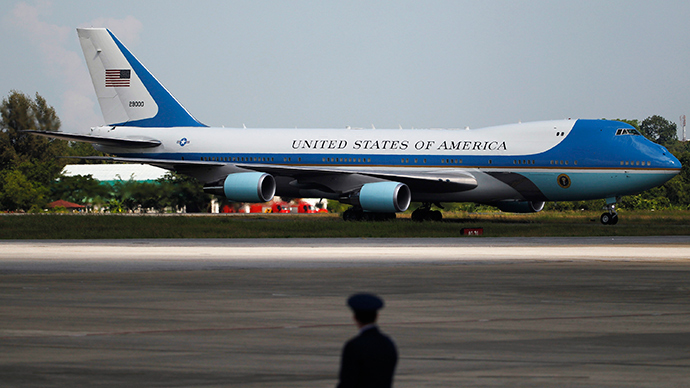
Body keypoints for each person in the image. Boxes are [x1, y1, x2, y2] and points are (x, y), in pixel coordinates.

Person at [337, 293, 398, 388]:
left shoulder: (354, 345)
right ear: (377, 316)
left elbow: (348, 381)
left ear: (355, 318)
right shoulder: (387, 343)